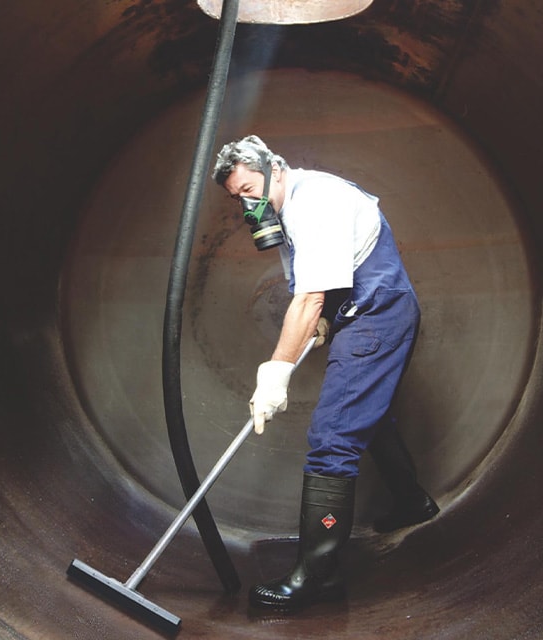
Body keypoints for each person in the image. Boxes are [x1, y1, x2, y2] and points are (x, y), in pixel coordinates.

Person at [212, 135, 439, 612]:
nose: (249, 204)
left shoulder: (311, 201)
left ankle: (316, 577)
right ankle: (411, 501)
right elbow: (328, 286)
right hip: (366, 312)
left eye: (251, 188)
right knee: (366, 418)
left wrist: (275, 373)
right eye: (239, 198)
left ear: (274, 167)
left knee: (332, 436)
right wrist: (322, 322)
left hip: (376, 316)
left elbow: (310, 296)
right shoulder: (290, 209)